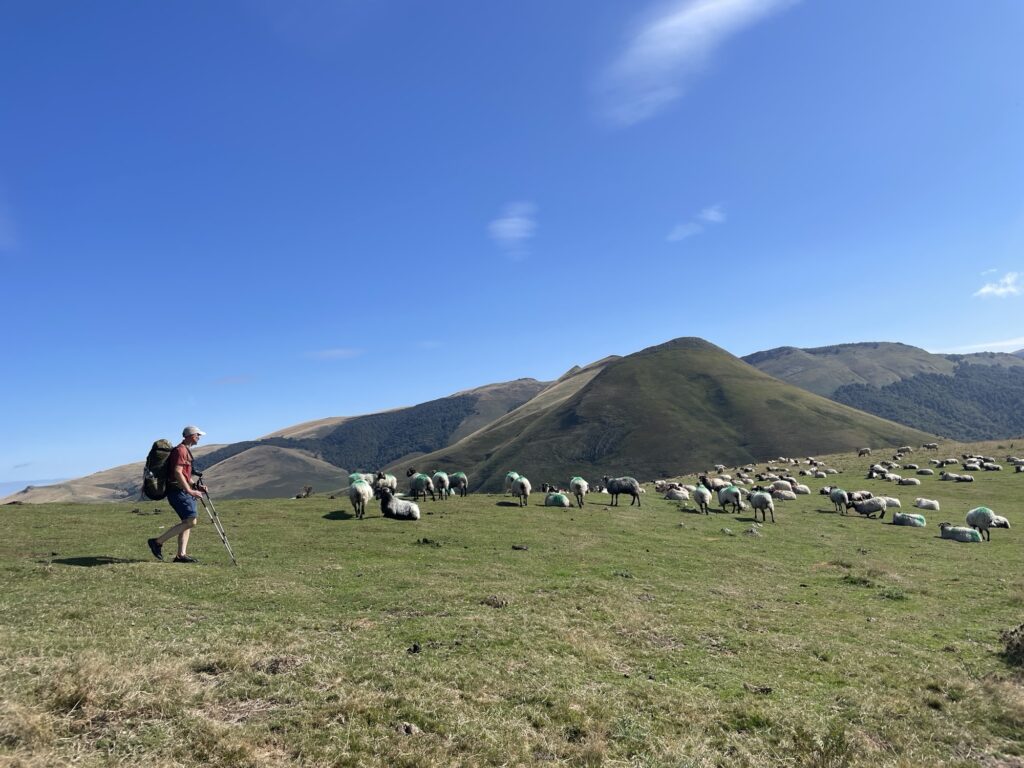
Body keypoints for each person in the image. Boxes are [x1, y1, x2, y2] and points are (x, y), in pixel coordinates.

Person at [147, 426, 208, 563]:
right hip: (178, 491)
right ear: (191, 435)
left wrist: (196, 486)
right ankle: (157, 542)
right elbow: (177, 472)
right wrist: (190, 490)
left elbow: (185, 474)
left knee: (186, 522)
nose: (199, 437)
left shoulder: (184, 450)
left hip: (181, 490)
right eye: (198, 435)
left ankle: (181, 555)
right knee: (191, 521)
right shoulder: (181, 450)